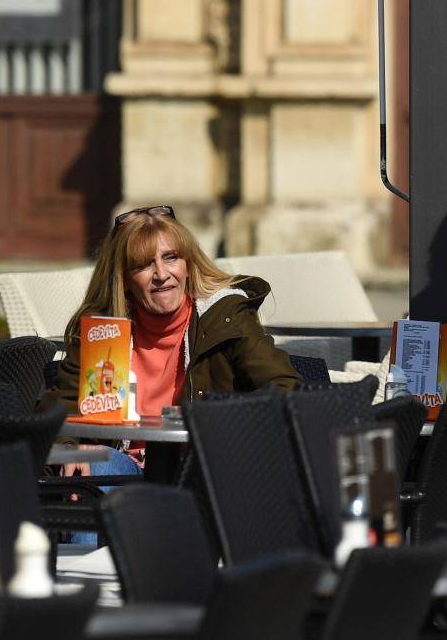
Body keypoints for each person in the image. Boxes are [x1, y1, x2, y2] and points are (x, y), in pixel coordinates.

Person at [47, 205, 299, 479]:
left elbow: (286, 387)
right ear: (124, 279)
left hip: (202, 467)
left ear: (188, 265)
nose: (161, 274)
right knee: (92, 467)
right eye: (143, 265)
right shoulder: (102, 330)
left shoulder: (225, 317)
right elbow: (58, 411)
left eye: (171, 258)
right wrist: (73, 450)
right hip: (123, 467)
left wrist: (223, 424)